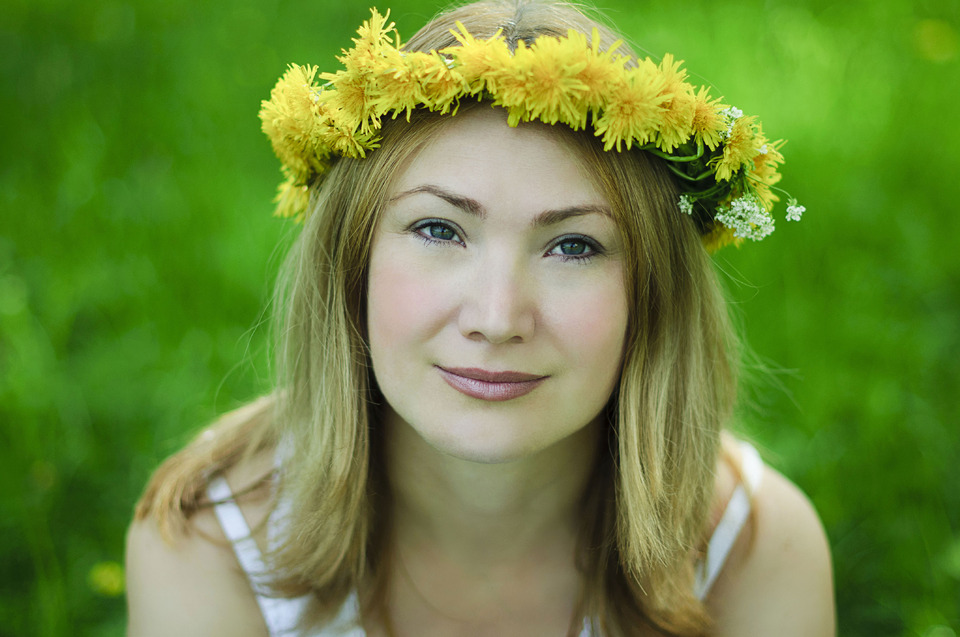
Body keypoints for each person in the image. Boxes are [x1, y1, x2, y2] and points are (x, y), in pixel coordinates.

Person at [125, 1, 835, 635]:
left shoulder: (755, 550)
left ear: (653, 293)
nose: (498, 319)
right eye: (440, 230)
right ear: (352, 260)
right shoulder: (211, 546)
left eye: (573, 245)